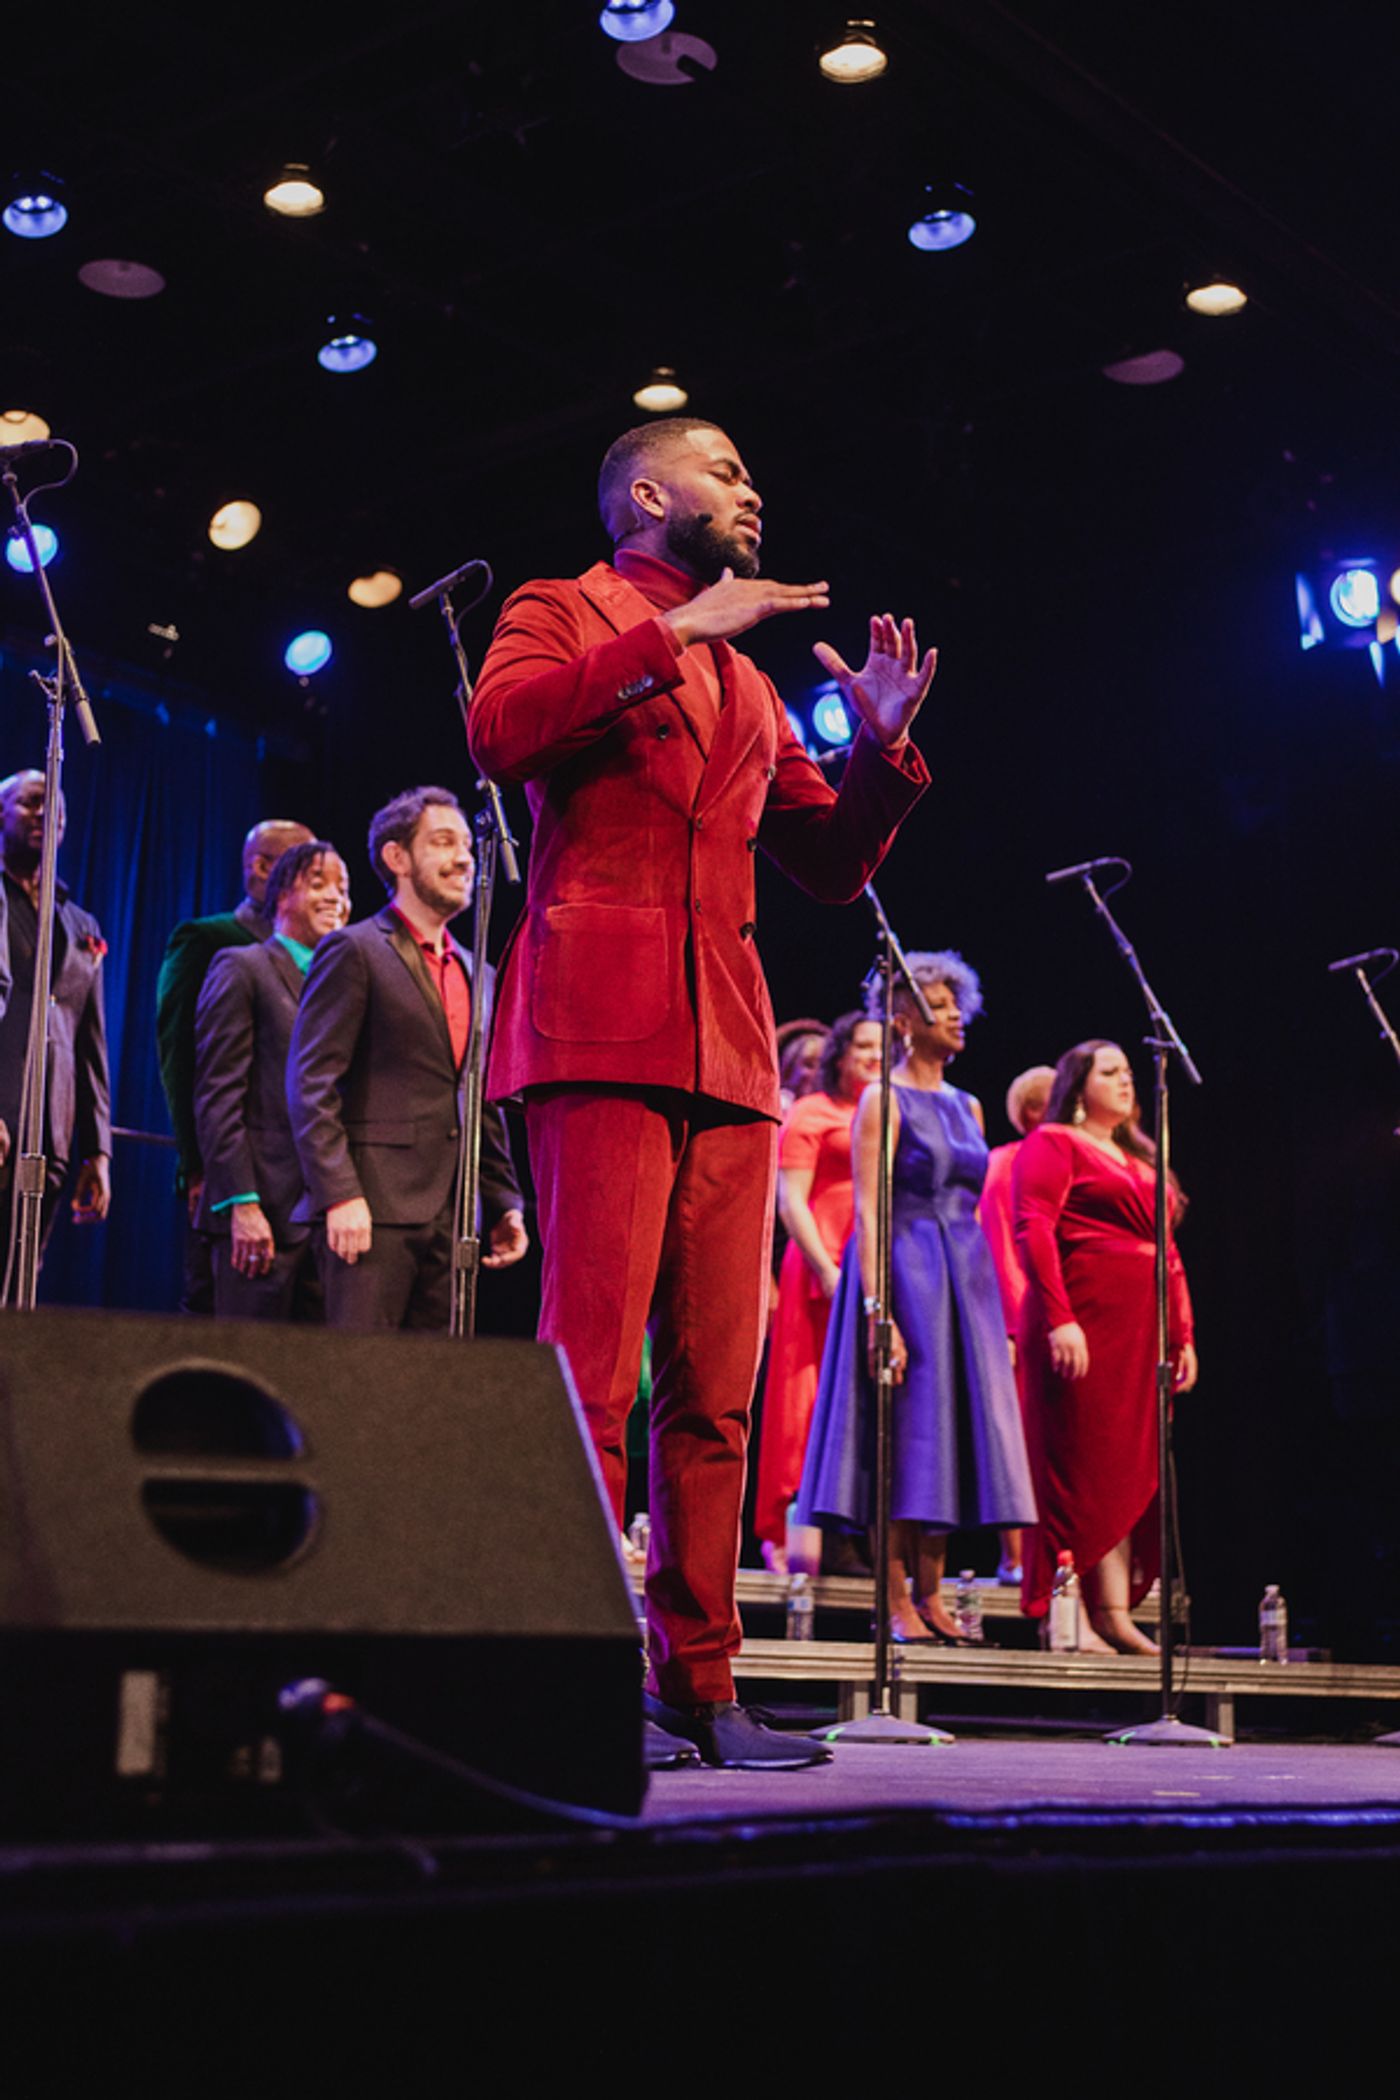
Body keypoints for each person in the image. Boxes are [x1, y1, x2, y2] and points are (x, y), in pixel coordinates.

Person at [468, 415, 933, 1768]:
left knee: (715, 1392)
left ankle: (700, 1681)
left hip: (726, 1052)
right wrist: (668, 634)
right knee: (589, 1376)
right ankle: (572, 1672)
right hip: (597, 1026)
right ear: (646, 492)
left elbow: (829, 867)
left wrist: (880, 751)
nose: (751, 488)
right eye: (724, 471)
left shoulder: (749, 682)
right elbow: (500, 734)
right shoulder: (565, 608)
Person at [797, 952, 1036, 1642]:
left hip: (965, 1275)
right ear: (903, 1020)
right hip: (906, 1269)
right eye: (940, 1004)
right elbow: (871, 1209)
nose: (957, 1015)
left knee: (948, 1435)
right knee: (904, 1435)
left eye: (959, 1004)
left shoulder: (968, 1105)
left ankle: (933, 1595)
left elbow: (977, 1206)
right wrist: (879, 1309)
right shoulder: (884, 1099)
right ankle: (894, 1596)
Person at [287, 786, 528, 1329]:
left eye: (466, 845)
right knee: (361, 1371)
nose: (463, 858)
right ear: (397, 857)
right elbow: (310, 1082)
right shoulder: (355, 949)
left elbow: (480, 1100)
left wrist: (503, 1200)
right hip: (370, 1210)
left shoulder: (480, 973)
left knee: (431, 1376)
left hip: (453, 1214)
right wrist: (339, 1194)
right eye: (442, 842)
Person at [1013, 1039, 1198, 1654]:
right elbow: (1034, 1227)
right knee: (1075, 1466)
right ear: (1077, 1084)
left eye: (1128, 1072)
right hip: (1082, 1320)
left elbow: (1169, 1254)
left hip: (1139, 1334)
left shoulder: (1140, 1158)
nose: (1126, 1081)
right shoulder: (1054, 1142)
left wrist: (1183, 1334)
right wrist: (1060, 1318)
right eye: (1110, 1071)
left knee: (1121, 1469)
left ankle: (1114, 1613)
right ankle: (1062, 1612)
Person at [156, 817, 314, 1311]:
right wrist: (196, 1164)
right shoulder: (211, 940)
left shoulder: (322, 954)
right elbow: (182, 1058)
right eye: (305, 867)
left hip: (298, 1186)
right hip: (228, 1168)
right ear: (263, 868)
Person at [193, 839, 351, 1320]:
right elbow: (218, 1095)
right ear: (282, 895)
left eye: (344, 889)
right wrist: (242, 1203)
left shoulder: (347, 984)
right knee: (245, 1363)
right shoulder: (244, 967)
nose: (336, 898)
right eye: (319, 884)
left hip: (328, 1226)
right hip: (261, 1218)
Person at [753, 1010, 881, 1576]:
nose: (874, 1057)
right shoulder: (812, 1111)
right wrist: (826, 1269)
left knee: (867, 1403)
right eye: (863, 1047)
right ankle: (792, 1534)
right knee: (804, 1400)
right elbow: (790, 1201)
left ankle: (859, 1535)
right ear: (840, 1054)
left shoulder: (886, 1111)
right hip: (822, 1267)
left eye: (882, 1047)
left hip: (877, 1271)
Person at [0, 769, 111, 1296]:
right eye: (30, 802)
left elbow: (91, 1045)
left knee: (23, 1284)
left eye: (57, 808)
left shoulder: (80, 924)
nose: (46, 813)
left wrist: (98, 1151)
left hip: (50, 1130)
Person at [976, 1062, 1057, 1585]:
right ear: (1031, 1111)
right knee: (1014, 1440)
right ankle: (1016, 1557)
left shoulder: (1069, 1159)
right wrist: (1009, 1326)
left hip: (1061, 1319)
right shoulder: (1005, 1163)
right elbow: (997, 1244)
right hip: (1020, 1318)